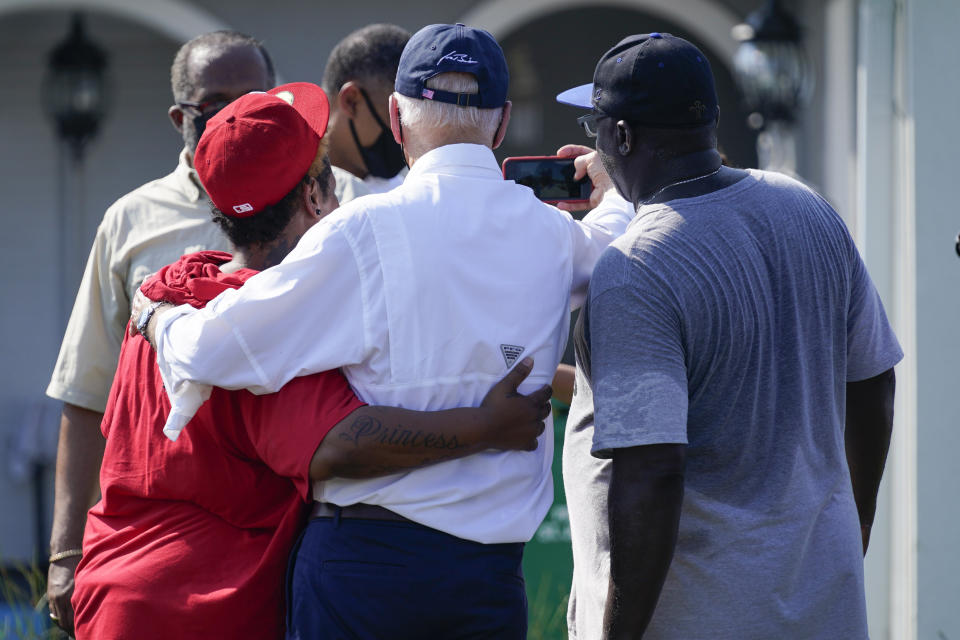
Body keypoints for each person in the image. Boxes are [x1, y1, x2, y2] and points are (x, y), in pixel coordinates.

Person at [133, 23, 633, 638]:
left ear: (395, 118)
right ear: (501, 124)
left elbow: (210, 350)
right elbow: (617, 245)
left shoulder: (359, 232)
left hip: (365, 568)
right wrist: (613, 191)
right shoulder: (556, 238)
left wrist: (159, 314)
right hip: (489, 579)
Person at [72, 82, 551, 640]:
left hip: (113, 591)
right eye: (330, 177)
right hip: (207, 610)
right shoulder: (279, 331)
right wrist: (484, 427)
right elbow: (339, 446)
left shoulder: (167, 290)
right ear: (314, 198)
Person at [556, 32, 903, 639]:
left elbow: (652, 470)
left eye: (596, 128)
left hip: (702, 617)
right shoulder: (807, 209)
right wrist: (856, 525)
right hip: (824, 609)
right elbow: (874, 381)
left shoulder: (638, 268)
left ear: (622, 137)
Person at [44, 30, 276, 634]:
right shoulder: (131, 221)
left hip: (278, 532)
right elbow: (84, 393)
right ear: (179, 118)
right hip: (151, 543)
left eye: (251, 101)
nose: (234, 119)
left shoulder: (322, 205)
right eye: (214, 106)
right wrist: (66, 555)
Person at [322, 23, 411, 195]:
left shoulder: (401, 195)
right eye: (396, 118)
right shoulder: (288, 192)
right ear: (351, 101)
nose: (403, 137)